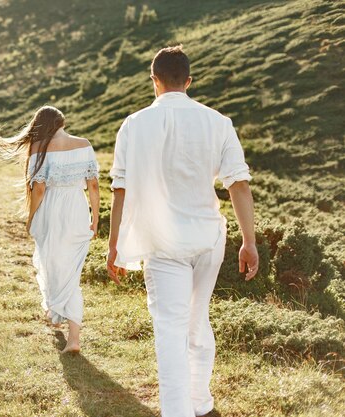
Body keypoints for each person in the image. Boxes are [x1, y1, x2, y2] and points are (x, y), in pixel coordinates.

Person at [106, 45, 258, 417]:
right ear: (188, 81)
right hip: (209, 239)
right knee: (196, 319)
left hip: (162, 242)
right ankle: (200, 401)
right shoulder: (218, 122)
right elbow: (238, 185)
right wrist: (250, 243)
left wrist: (114, 247)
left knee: (170, 331)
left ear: (153, 81)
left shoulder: (134, 124)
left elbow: (120, 190)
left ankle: (179, 410)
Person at [0, 105, 100, 354]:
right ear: (62, 123)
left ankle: (59, 316)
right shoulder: (84, 144)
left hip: (51, 211)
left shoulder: (39, 148)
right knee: (72, 272)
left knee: (52, 263)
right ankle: (70, 332)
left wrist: (31, 217)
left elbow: (39, 189)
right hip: (78, 210)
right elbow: (94, 186)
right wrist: (96, 219)